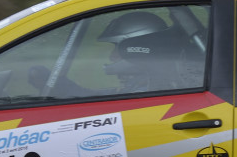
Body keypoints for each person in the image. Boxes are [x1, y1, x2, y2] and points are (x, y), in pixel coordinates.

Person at [28, 11, 193, 97]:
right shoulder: (144, 89)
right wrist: (62, 86)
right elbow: (96, 97)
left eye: (118, 48)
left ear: (139, 49)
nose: (111, 57)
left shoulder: (144, 95)